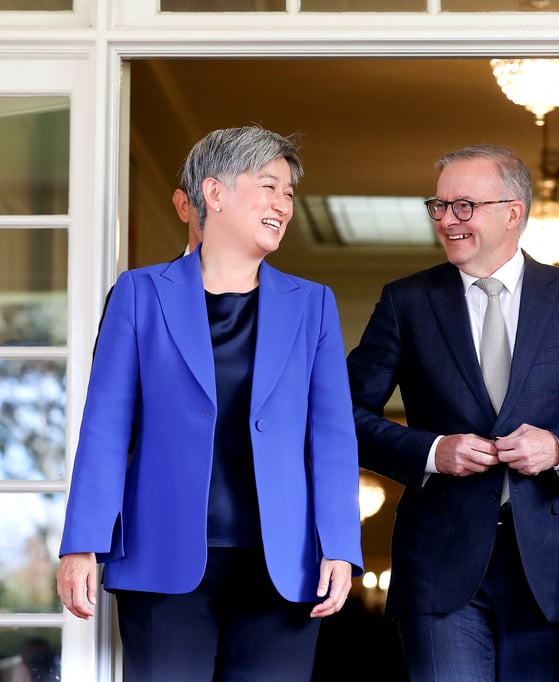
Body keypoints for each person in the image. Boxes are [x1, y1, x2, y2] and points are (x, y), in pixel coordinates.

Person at [57, 125, 363, 682]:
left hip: (283, 565)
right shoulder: (139, 293)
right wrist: (83, 542)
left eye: (289, 193)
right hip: (160, 557)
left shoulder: (313, 305)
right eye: (269, 186)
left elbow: (334, 438)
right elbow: (105, 427)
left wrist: (340, 545)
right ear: (214, 193)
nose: (283, 204)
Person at [347, 143, 559, 681]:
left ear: (513, 213)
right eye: (438, 206)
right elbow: (344, 415)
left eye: (464, 205)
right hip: (439, 563)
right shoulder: (406, 301)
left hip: (552, 565)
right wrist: (432, 452)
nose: (447, 219)